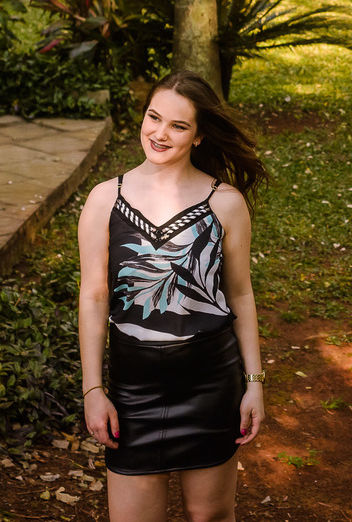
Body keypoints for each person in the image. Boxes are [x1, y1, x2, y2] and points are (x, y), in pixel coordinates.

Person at [77, 70, 269, 522]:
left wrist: (254, 383)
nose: (159, 134)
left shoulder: (225, 203)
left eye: (178, 126)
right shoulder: (105, 200)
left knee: (210, 517)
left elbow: (240, 295)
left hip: (209, 385)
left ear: (199, 136)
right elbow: (93, 298)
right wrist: (93, 390)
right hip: (134, 389)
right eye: (154, 117)